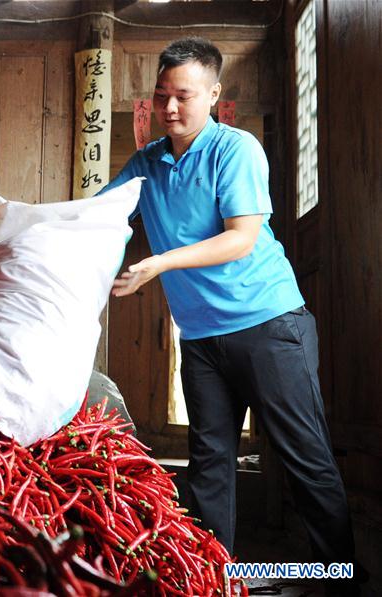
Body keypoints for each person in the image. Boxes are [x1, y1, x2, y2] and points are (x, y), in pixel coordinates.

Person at [100, 37, 362, 593]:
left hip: (269, 325)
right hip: (200, 338)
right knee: (209, 462)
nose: (171, 108)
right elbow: (100, 215)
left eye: (184, 96)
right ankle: (211, 579)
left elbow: (240, 239)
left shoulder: (235, 148)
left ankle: (338, 580)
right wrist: (33, 222)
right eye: (162, 95)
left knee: (304, 457)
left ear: (214, 94)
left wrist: (158, 263)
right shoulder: (147, 161)